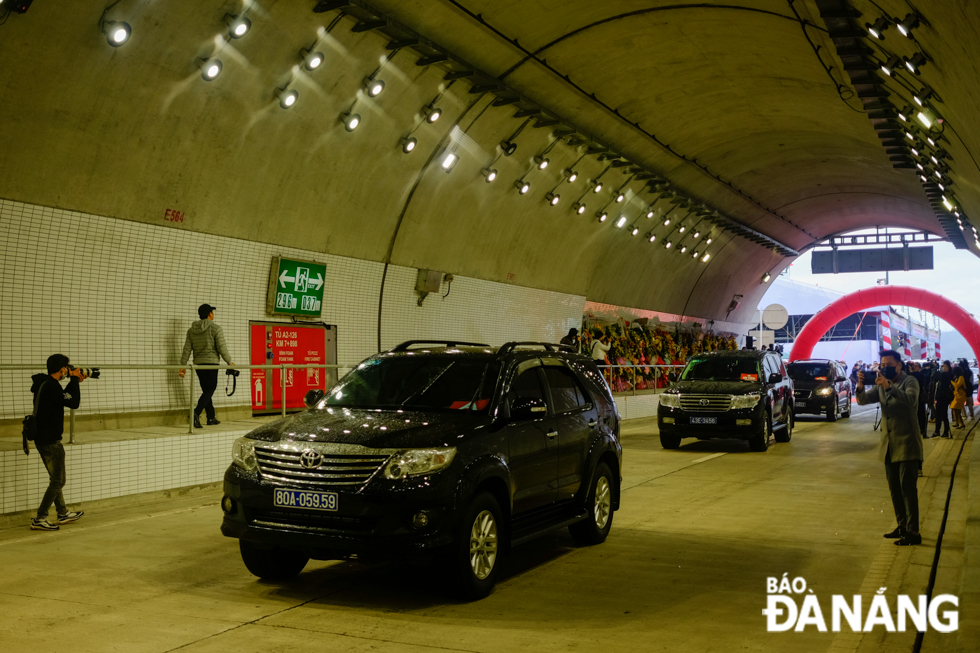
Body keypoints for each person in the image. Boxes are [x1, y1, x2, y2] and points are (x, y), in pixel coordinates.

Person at [856, 350, 923, 546]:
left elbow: (910, 401)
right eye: (882, 365)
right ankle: (902, 526)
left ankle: (913, 532)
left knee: (908, 489)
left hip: (907, 443)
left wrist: (889, 386)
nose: (884, 368)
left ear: (899, 365)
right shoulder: (880, 384)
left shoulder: (910, 381)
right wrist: (860, 386)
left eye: (889, 364)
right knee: (894, 488)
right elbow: (862, 401)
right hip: (889, 446)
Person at [29, 354, 87, 531]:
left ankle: (62, 513)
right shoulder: (52, 387)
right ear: (62, 369)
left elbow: (65, 397)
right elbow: (73, 402)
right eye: (66, 369)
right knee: (58, 481)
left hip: (43, 439)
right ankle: (41, 517)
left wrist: (74, 381)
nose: (67, 372)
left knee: (55, 479)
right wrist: (75, 379)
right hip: (50, 442)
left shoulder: (44, 383)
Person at [179, 304, 234, 428]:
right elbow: (221, 348)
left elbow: (186, 349)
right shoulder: (215, 329)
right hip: (211, 364)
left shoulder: (191, 330)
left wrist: (182, 366)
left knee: (206, 391)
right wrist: (230, 362)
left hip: (198, 365)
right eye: (212, 312)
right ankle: (196, 412)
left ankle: (211, 417)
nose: (213, 314)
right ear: (210, 314)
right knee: (210, 389)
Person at [932, 361, 954, 438]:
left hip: (944, 397)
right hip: (940, 396)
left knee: (943, 415)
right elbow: (934, 376)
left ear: (947, 367)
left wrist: (935, 367)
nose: (942, 367)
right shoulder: (944, 374)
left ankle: (945, 431)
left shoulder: (947, 375)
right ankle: (937, 431)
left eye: (943, 366)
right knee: (938, 414)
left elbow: (937, 375)